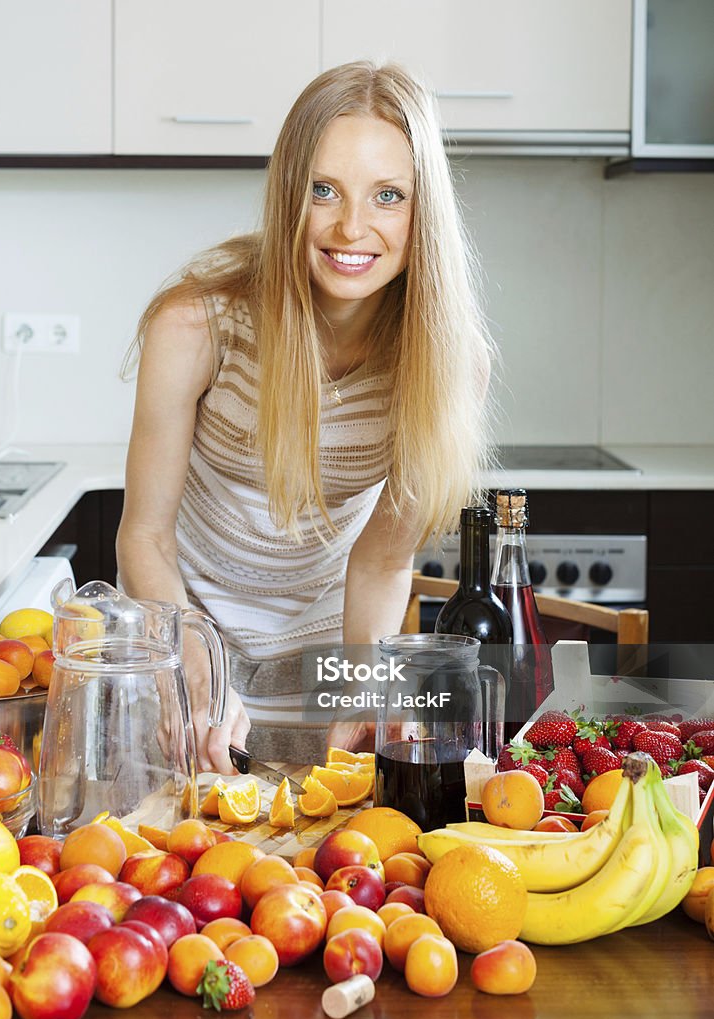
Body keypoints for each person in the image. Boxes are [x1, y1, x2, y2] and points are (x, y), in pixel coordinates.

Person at [117, 60, 494, 775]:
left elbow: (383, 560)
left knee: (311, 847)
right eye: (324, 190)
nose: (352, 227)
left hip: (326, 633)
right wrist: (195, 669)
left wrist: (362, 685)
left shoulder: (448, 364)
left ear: (424, 211)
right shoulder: (197, 325)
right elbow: (144, 533)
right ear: (289, 192)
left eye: (388, 196)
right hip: (182, 616)